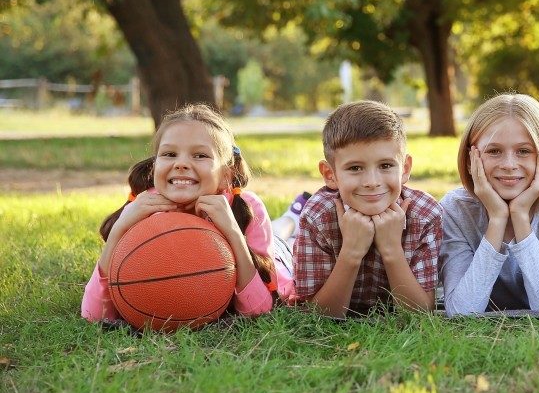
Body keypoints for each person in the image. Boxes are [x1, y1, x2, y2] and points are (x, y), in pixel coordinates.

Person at [82, 104, 294, 323]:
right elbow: (93, 315)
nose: (181, 163)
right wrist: (119, 231)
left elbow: (258, 313)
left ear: (225, 176)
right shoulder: (142, 209)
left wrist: (233, 234)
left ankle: (294, 214)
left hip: (275, 256)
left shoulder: (246, 209)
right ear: (154, 168)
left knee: (284, 234)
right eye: (169, 154)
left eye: (200, 155)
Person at [291, 101, 441, 317]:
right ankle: (289, 219)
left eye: (386, 166)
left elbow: (419, 313)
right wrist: (351, 251)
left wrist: (391, 248)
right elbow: (318, 315)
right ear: (329, 174)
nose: (372, 181)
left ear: (405, 169)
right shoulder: (318, 215)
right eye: (355, 168)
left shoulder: (425, 214)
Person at [440, 94, 539, 314]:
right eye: (494, 151)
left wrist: (520, 216)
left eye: (523, 151)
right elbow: (462, 312)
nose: (508, 164)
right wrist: (497, 218)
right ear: (470, 160)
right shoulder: (456, 208)